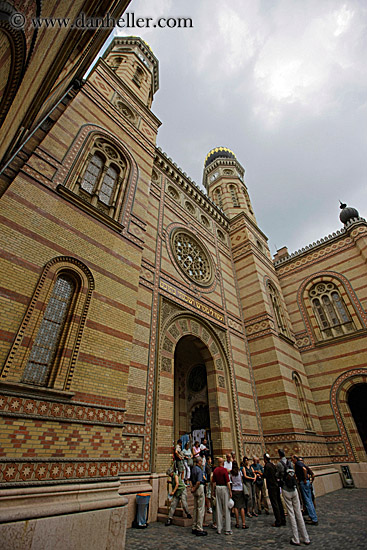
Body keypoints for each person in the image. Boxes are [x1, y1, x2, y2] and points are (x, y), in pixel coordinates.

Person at [276, 449, 310, 546]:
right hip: (294, 489)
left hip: (286, 489)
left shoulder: (279, 464)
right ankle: (306, 537)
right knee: (298, 513)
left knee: (291, 514)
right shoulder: (290, 463)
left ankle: (296, 538)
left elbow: (277, 476)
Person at [292, 455, 318, 526]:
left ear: (295, 459)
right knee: (309, 500)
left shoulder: (298, 464)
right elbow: (311, 472)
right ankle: (312, 516)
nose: (292, 461)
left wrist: (304, 479)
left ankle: (313, 518)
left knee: (307, 500)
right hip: (307, 482)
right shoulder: (302, 463)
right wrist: (311, 480)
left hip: (304, 483)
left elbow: (304, 469)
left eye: (292, 459)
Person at [263, 453, 286, 527]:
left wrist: (260, 474)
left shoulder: (267, 466)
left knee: (275, 503)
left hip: (271, 487)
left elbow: (265, 475)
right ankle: (283, 519)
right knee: (279, 502)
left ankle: (278, 521)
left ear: (265, 459)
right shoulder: (273, 465)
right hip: (276, 486)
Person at [212, 456, 232, 535]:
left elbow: (213, 482)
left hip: (217, 488)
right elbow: (227, 482)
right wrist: (230, 491)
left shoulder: (215, 470)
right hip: (224, 488)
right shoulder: (224, 470)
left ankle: (219, 528)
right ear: (222, 463)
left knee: (218, 508)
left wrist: (213, 491)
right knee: (226, 509)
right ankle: (227, 529)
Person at [190, 456, 207, 536]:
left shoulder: (193, 469)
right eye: (201, 461)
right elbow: (199, 481)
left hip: (194, 489)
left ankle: (194, 526)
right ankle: (199, 528)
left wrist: (192, 488)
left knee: (195, 508)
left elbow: (190, 480)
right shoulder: (199, 470)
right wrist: (195, 488)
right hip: (199, 488)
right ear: (199, 461)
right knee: (200, 509)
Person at [230, 461, 248, 529]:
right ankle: (243, 523)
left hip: (234, 490)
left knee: (235, 507)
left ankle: (237, 523)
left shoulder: (231, 473)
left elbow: (231, 481)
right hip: (240, 490)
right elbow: (241, 479)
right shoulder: (239, 472)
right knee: (242, 507)